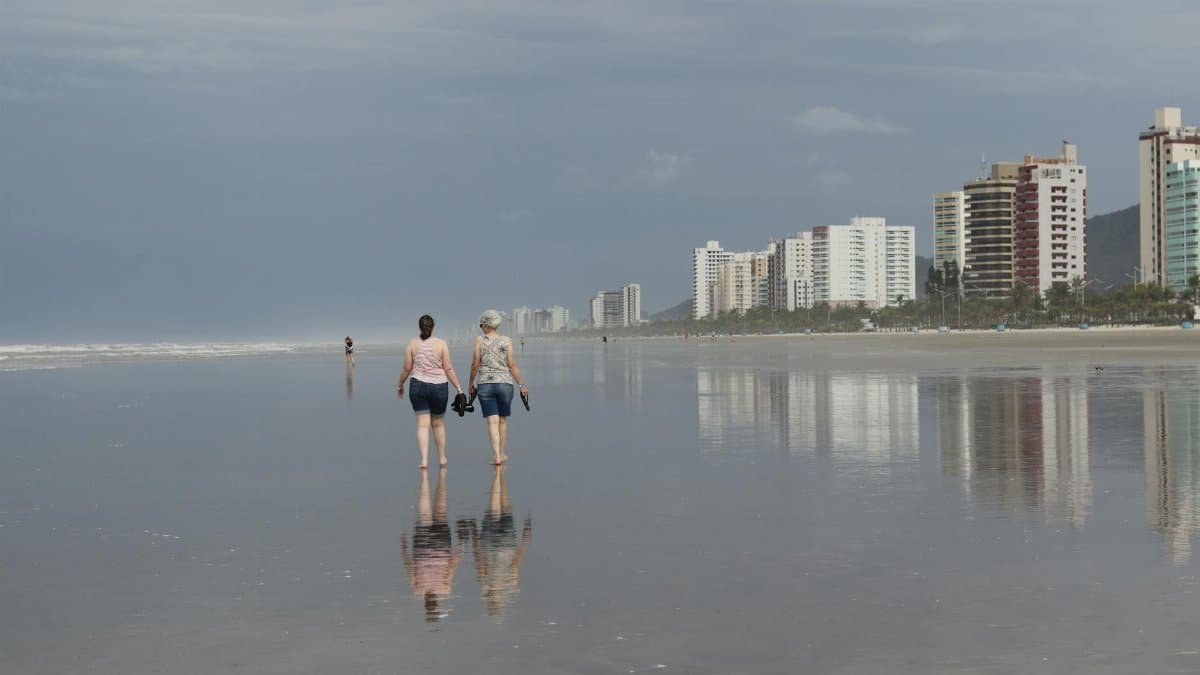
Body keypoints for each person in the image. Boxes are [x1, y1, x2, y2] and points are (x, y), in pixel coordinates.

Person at [460, 466, 532, 617]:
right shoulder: (484, 582)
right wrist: (474, 531)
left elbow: (516, 561)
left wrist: (525, 539)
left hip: (506, 543)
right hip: (488, 543)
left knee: (505, 508)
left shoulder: (510, 583)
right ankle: (498, 476)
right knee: (493, 508)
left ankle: (500, 478)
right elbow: (479, 560)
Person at [398, 315, 464, 469]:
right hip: (439, 387)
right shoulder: (441, 344)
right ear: (433, 327)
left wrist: (400, 385)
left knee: (422, 425)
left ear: (419, 327)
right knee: (438, 424)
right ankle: (441, 458)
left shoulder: (412, 344)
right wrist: (459, 389)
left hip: (417, 386)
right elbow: (448, 368)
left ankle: (424, 460)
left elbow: (407, 368)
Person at [401, 468, 464, 622]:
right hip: (423, 545)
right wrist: (404, 549)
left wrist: (459, 548)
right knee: (424, 514)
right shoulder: (418, 590)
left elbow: (452, 567)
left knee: (440, 512)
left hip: (440, 545)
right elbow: (409, 567)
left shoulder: (445, 589)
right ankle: (428, 480)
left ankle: (436, 480)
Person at [469, 309, 527, 465]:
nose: (481, 328)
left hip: (485, 384)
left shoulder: (479, 340)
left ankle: (496, 455)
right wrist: (521, 385)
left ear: (486, 325)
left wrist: (470, 383)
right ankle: (502, 453)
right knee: (502, 421)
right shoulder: (506, 340)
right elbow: (512, 365)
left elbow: (475, 364)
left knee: (492, 422)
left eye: (482, 325)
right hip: (505, 384)